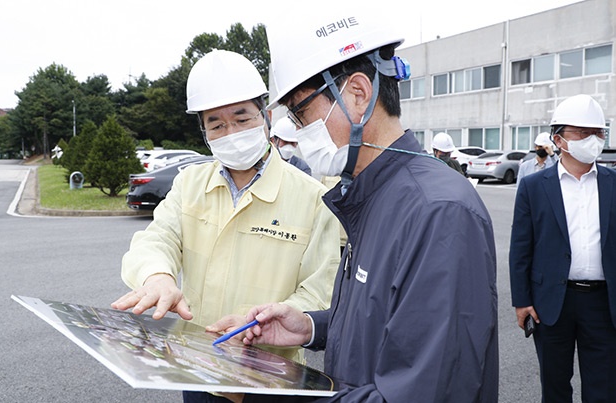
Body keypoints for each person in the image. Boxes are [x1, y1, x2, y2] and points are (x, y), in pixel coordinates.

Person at [212, 6, 499, 402]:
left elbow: (424, 391)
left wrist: (279, 395)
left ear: (359, 94)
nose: (297, 131)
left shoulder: (437, 211)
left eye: (301, 112)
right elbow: (388, 319)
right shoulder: (375, 193)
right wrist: (311, 327)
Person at [111, 49, 341, 402]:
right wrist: (158, 276)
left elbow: (320, 290)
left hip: (268, 378)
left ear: (264, 116)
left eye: (241, 118)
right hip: (197, 369)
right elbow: (158, 239)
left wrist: (258, 325)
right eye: (216, 124)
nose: (231, 131)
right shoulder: (190, 184)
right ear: (204, 132)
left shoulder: (311, 198)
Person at [509, 94, 616, 402]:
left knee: (605, 388)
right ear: (559, 139)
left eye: (598, 132)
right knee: (555, 387)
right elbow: (521, 247)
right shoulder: (534, 186)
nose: (592, 140)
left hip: (603, 302)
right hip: (552, 302)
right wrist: (521, 300)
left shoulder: (612, 182)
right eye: (582, 133)